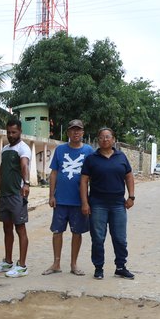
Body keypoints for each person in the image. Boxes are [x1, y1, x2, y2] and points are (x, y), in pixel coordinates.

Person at [79, 127, 136, 280]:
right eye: (102, 137)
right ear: (98, 140)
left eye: (108, 137)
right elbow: (84, 181)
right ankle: (98, 268)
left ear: (113, 139)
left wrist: (131, 197)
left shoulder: (121, 157)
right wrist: (85, 203)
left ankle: (120, 267)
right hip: (97, 204)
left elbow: (129, 177)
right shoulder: (91, 159)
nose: (105, 139)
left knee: (120, 238)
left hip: (118, 204)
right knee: (98, 238)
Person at [44, 119, 94, 276]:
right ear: (68, 132)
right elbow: (54, 173)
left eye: (78, 130)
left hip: (79, 201)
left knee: (77, 232)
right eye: (73, 130)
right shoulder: (60, 150)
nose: (76, 132)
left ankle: (73, 264)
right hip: (61, 199)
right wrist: (51, 195)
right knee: (57, 231)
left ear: (83, 133)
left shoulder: (89, 151)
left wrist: (90, 199)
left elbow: (94, 174)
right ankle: (56, 263)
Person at [0, 118, 31, 278]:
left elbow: (24, 165)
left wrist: (26, 183)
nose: (11, 135)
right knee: (7, 228)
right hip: (5, 196)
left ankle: (22, 265)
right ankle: (7, 261)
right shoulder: (5, 149)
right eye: (8, 132)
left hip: (17, 195)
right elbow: (0, 174)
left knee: (20, 228)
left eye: (14, 132)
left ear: (20, 131)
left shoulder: (23, 149)